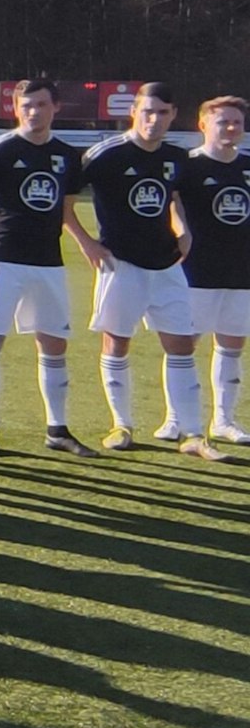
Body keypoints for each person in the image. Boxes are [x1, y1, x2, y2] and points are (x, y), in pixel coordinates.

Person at [80, 83, 225, 459]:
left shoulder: (177, 158)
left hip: (167, 265)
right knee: (117, 341)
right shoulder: (105, 155)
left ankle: (193, 434)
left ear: (173, 115)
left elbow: (173, 196)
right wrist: (86, 241)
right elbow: (65, 197)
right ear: (134, 112)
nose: (154, 120)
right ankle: (121, 424)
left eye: (162, 113)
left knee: (180, 344)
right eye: (147, 112)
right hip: (120, 263)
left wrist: (183, 229)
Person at [0, 79, 98, 457]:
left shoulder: (68, 156)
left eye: (40, 104)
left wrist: (85, 242)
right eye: (26, 105)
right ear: (16, 109)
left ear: (55, 107)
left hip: (48, 261)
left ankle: (57, 429)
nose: (32, 111)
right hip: (4, 259)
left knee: (54, 343)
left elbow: (66, 210)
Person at [179, 95, 250, 445]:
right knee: (183, 346)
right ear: (203, 124)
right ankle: (177, 418)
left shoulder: (248, 166)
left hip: (241, 273)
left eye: (237, 122)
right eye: (223, 121)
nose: (232, 128)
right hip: (196, 272)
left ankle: (224, 419)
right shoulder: (187, 167)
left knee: (232, 345)